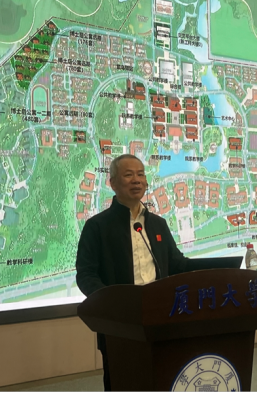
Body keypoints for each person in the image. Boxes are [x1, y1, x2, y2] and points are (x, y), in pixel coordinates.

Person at [75, 154, 190, 391]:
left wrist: (218, 269)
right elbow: (86, 274)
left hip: (161, 318)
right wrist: (112, 304)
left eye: (140, 174)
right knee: (123, 382)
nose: (136, 180)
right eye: (128, 175)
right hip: (120, 323)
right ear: (113, 183)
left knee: (162, 379)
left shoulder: (157, 224)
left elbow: (177, 265)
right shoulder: (97, 227)